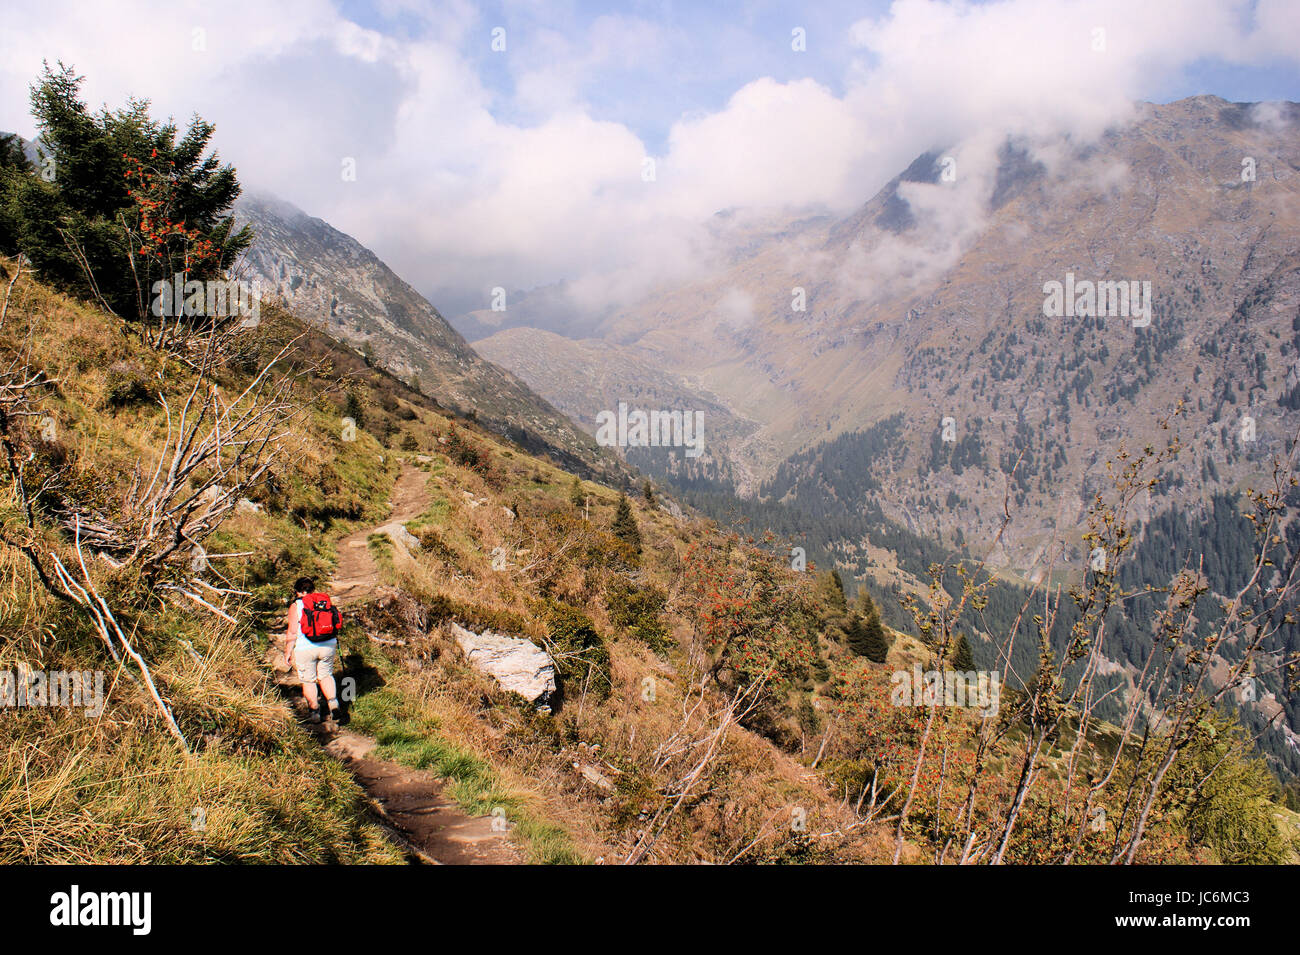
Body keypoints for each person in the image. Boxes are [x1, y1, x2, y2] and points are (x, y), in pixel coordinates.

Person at [284, 576, 341, 724]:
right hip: (328, 644)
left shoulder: (295, 606)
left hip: (305, 647)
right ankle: (333, 704)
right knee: (326, 675)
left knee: (308, 680)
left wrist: (288, 651)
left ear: (297, 592)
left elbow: (292, 631)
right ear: (312, 590)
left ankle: (315, 712)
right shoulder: (322, 601)